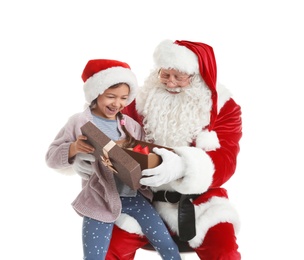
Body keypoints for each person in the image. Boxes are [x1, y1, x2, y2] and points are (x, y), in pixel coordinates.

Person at [73, 39, 243, 260]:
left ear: (198, 76)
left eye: (179, 76)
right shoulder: (140, 101)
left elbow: (226, 161)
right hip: (143, 198)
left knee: (225, 252)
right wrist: (87, 157)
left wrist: (182, 166)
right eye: (165, 74)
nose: (170, 83)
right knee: (109, 249)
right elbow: (107, 131)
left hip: (200, 202)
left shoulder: (224, 108)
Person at [45, 59, 182, 260]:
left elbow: (144, 155)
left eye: (123, 98)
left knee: (167, 246)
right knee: (94, 256)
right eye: (111, 96)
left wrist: (143, 159)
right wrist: (73, 148)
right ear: (96, 93)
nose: (117, 104)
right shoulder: (79, 122)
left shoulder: (132, 126)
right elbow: (51, 158)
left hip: (135, 197)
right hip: (99, 200)